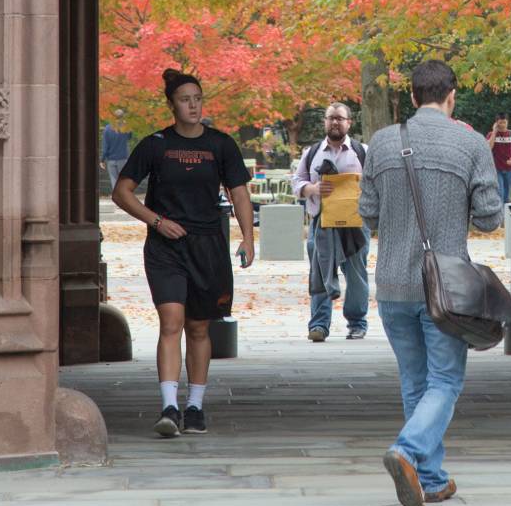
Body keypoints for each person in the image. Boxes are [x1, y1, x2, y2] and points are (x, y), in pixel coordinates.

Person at [361, 59, 504, 506]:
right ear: (451, 95)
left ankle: (432, 478)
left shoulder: (382, 144)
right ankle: (406, 450)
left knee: (414, 382)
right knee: (444, 380)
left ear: (411, 95)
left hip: (392, 284)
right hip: (447, 289)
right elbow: (490, 217)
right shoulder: (469, 143)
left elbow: (367, 212)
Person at [111, 68, 256, 437]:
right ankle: (169, 407)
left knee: (198, 326)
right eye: (185, 100)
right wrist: (156, 221)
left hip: (207, 245)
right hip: (166, 246)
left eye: (197, 99)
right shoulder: (155, 145)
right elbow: (122, 192)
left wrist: (248, 238)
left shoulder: (221, 145)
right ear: (171, 105)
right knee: (172, 320)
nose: (193, 105)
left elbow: (239, 193)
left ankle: (195, 407)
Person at [292, 102, 371, 341]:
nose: (335, 122)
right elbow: (297, 181)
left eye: (340, 118)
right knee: (319, 272)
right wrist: (312, 188)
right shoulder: (312, 152)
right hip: (321, 224)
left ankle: (357, 323)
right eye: (331, 118)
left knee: (356, 274)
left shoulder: (362, 151)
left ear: (349, 122)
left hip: (355, 224)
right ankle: (319, 326)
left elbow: (376, 184)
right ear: (325, 122)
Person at [485, 115, 511, 207]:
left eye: (504, 122)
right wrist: (494, 132)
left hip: (509, 168)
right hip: (496, 168)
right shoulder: (491, 134)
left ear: (507, 122)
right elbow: (488, 147)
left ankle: (505, 215)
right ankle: (500, 215)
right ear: (496, 123)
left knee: (507, 194)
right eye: (500, 122)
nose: (503, 124)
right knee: (500, 192)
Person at [100, 108, 134, 185]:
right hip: (123, 158)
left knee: (114, 180)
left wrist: (102, 160)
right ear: (123, 116)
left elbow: (105, 147)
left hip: (111, 159)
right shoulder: (126, 127)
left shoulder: (107, 129)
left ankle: (117, 196)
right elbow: (129, 137)